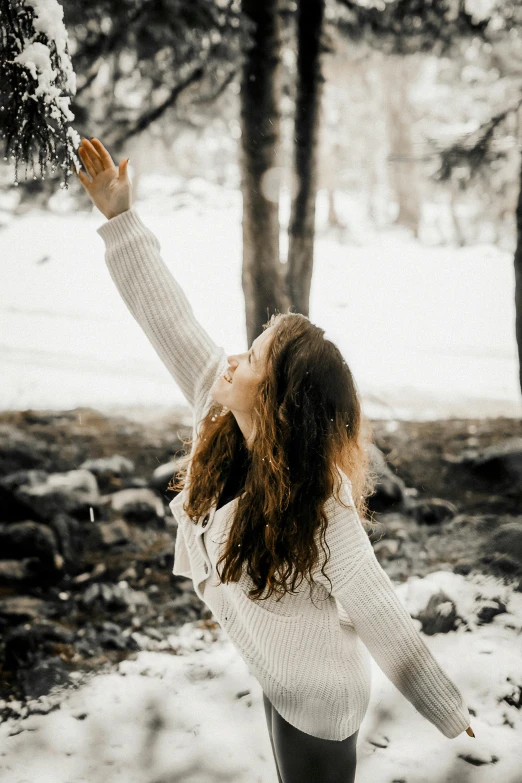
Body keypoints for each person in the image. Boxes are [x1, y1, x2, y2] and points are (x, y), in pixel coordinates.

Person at [76, 138, 475, 783]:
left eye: (254, 358)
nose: (233, 358)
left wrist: (444, 705)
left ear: (278, 400)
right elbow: (169, 320)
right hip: (274, 662)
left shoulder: (322, 509)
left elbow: (380, 611)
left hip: (320, 698)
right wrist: (120, 219)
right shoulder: (222, 410)